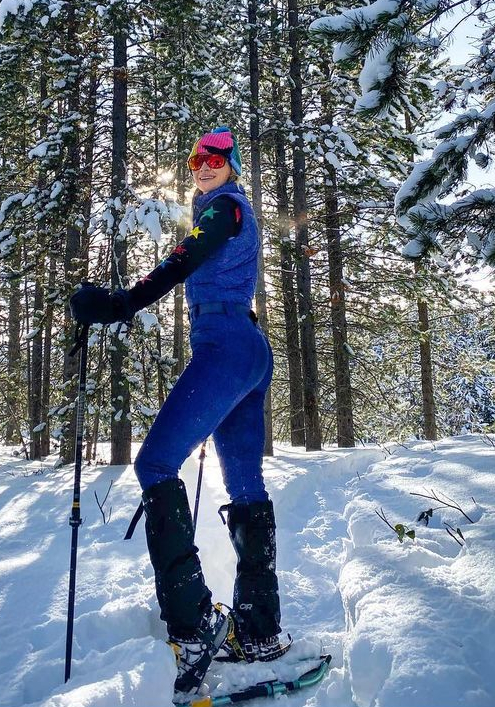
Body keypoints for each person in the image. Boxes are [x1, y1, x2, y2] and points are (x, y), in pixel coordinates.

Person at [70, 126, 289, 697]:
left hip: (226, 349)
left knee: (155, 465)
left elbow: (183, 260)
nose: (203, 166)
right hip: (243, 349)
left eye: (215, 158)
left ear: (233, 166)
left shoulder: (226, 210)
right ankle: (260, 630)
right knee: (244, 487)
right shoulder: (221, 212)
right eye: (196, 159)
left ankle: (194, 626)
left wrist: (121, 304)